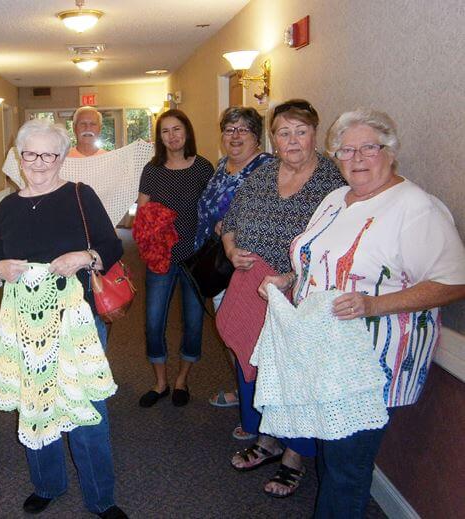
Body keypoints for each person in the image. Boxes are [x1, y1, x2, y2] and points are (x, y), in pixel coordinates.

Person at [259, 108, 465, 517]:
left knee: (346, 469)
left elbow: (454, 282)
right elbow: (321, 260)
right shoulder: (337, 198)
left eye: (368, 148)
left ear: (390, 151)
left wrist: (374, 304)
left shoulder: (415, 207)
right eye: (345, 150)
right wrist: (291, 280)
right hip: (326, 351)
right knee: (334, 458)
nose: (356, 159)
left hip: (370, 361)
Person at [0, 119, 127, 519]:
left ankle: (102, 497)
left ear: (63, 157)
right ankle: (47, 484)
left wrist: (85, 257)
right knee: (36, 403)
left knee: (86, 409)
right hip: (26, 323)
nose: (40, 162)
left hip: (75, 320)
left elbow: (112, 247)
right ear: (19, 156)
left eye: (50, 154)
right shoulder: (8, 207)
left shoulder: (80, 196)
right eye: (31, 154)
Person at [221, 99, 346, 497]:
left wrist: (291, 277)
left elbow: (336, 247)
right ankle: (269, 439)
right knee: (258, 369)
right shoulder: (262, 174)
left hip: (301, 295)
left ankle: (295, 455)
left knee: (295, 374)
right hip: (253, 287)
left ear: (315, 134)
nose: (291, 140)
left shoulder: (334, 181)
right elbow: (230, 222)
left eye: (300, 131)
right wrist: (229, 250)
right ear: (272, 138)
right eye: (283, 132)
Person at [196, 107, 273, 427]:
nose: (235, 136)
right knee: (229, 332)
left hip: (249, 265)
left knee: (250, 338)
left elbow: (272, 215)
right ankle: (244, 393)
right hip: (219, 263)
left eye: (244, 130)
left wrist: (231, 230)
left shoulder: (267, 168)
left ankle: (260, 408)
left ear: (257, 136)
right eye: (229, 129)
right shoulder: (220, 165)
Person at [136, 109, 214, 407]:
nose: (172, 136)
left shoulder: (204, 168)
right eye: (165, 131)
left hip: (195, 258)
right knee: (154, 323)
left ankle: (182, 379)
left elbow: (212, 210)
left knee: (193, 324)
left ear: (187, 132)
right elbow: (142, 212)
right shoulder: (152, 170)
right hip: (161, 258)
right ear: (160, 137)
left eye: (177, 129)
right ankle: (160, 382)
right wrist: (156, 221)